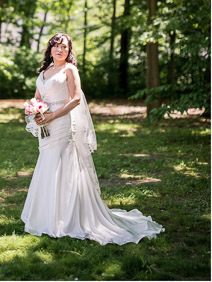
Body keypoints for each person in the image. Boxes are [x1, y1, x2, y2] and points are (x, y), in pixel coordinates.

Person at [21, 33, 164, 245]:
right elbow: (38, 98)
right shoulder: (43, 72)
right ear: (50, 49)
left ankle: (67, 218)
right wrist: (36, 112)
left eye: (65, 47)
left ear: (69, 51)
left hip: (61, 123)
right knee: (48, 164)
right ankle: (46, 216)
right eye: (56, 46)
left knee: (63, 165)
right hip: (47, 124)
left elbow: (76, 99)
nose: (60, 50)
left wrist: (52, 115)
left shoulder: (70, 70)